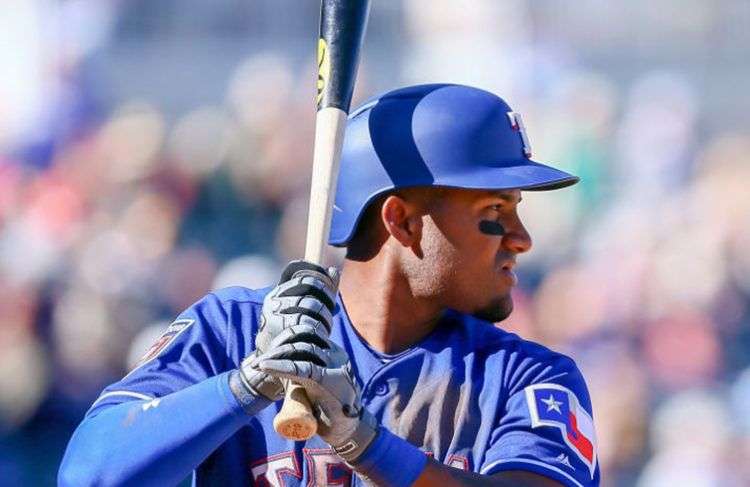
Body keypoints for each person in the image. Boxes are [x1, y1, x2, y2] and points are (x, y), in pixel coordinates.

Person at [59, 84, 599, 487]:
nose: (521, 238)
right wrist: (247, 386)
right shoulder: (235, 330)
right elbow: (90, 475)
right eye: (494, 210)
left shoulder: (525, 376)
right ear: (403, 222)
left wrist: (363, 443)